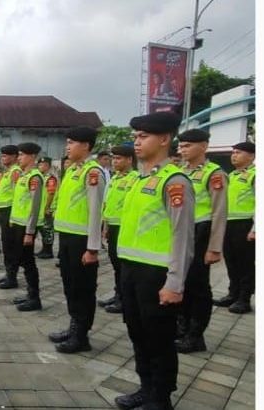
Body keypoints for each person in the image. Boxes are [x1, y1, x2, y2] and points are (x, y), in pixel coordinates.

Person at [114, 111, 194, 410]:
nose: (136, 142)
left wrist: (175, 283)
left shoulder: (174, 181)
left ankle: (161, 397)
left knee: (159, 338)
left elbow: (183, 236)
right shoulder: (138, 179)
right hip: (132, 270)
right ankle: (146, 388)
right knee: (137, 333)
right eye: (135, 136)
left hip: (158, 274)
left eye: (143, 136)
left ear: (164, 139)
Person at [48, 127, 105, 354]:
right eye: (67, 142)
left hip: (83, 241)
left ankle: (81, 335)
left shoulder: (93, 172)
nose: (67, 146)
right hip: (67, 238)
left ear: (86, 146)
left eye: (72, 142)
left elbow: (95, 211)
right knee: (70, 285)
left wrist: (92, 248)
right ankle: (73, 327)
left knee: (82, 288)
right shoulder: (73, 171)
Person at [173, 129, 228, 352]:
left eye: (188, 146)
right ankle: (182, 327)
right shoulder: (180, 172)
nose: (182, 149)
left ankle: (196, 335)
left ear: (203, 146)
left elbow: (220, 212)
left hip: (201, 232)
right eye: (181, 146)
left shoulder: (214, 173)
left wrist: (214, 248)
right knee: (182, 282)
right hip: (182, 232)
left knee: (198, 286)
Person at [214, 141, 256, 314]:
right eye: (233, 152)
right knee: (231, 261)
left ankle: (244, 299)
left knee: (245, 263)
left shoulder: (255, 175)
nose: (234, 155)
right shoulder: (232, 175)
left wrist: (255, 229)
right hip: (228, 224)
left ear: (252, 156)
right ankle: (233, 294)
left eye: (238, 152)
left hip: (245, 224)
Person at [98, 145, 139, 314]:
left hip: (125, 228)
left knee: (124, 267)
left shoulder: (134, 178)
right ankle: (118, 294)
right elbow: (108, 204)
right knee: (116, 265)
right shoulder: (114, 179)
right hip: (113, 227)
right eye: (113, 158)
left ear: (129, 160)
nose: (115, 162)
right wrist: (105, 226)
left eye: (118, 158)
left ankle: (124, 299)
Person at [7, 142, 45, 311]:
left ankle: (34, 297)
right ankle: (30, 294)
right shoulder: (23, 176)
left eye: (22, 155)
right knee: (22, 259)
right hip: (18, 224)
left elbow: (34, 207)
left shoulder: (34, 177)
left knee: (28, 262)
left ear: (32, 156)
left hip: (26, 227)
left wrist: (30, 232)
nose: (19, 158)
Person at [0, 145, 21, 287]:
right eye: (2, 155)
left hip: (10, 211)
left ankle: (12, 276)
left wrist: (12, 216)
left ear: (15, 156)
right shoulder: (7, 171)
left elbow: (17, 194)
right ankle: (8, 273)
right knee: (6, 244)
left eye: (7, 155)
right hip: (4, 211)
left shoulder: (15, 172)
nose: (3, 158)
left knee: (10, 245)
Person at [35, 156, 58, 259]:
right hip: (41, 207)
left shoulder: (50, 178)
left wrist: (47, 207)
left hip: (48, 207)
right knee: (43, 229)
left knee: (48, 230)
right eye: (39, 164)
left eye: (43, 165)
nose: (40, 166)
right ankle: (44, 249)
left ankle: (48, 251)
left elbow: (51, 193)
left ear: (48, 166)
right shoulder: (42, 177)